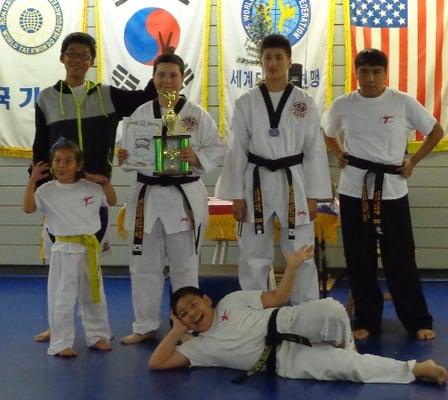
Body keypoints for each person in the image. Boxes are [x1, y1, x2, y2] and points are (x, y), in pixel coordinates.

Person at [148, 246, 447, 385]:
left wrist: (291, 267)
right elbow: (157, 363)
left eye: (192, 305)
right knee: (345, 368)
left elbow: (278, 298)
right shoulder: (197, 348)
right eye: (184, 314)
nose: (191, 314)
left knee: (331, 308)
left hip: (288, 320)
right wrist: (175, 330)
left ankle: (347, 348)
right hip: (283, 360)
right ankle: (416, 369)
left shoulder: (232, 301)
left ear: (206, 299)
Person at [32, 31, 160, 343]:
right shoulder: (47, 97)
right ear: (62, 57)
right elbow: (40, 144)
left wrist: (158, 63)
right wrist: (36, 179)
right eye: (71, 54)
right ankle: (58, 324)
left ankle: (94, 330)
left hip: (94, 191)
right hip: (58, 194)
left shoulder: (106, 94)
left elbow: (144, 98)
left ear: (91, 62)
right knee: (60, 269)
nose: (77, 60)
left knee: (89, 267)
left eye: (84, 56)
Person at [323, 48, 444, 341]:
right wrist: (339, 153)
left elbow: (436, 131)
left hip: (392, 190)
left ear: (385, 73)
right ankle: (366, 319)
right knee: (359, 258)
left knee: (400, 258)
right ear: (356, 72)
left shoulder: (402, 102)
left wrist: (412, 162)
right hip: (354, 190)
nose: (370, 78)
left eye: (377, 72)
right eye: (364, 72)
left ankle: (417, 320)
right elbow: (326, 132)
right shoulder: (343, 104)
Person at [118, 53, 227, 344]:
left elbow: (218, 148)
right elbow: (125, 154)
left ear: (182, 79)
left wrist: (197, 156)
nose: (166, 81)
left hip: (183, 196)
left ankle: (190, 325)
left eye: (172, 75)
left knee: (184, 264)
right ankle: (145, 325)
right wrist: (122, 156)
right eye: (161, 75)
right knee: (144, 264)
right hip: (148, 195)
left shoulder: (197, 114)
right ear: (153, 78)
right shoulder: (140, 114)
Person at [216, 34, 331, 304]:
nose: (273, 63)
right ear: (261, 61)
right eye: (268, 57)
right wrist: (236, 195)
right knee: (253, 254)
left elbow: (314, 151)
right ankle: (254, 315)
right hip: (255, 181)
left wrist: (314, 195)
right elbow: (237, 150)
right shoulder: (247, 102)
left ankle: (307, 314)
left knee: (300, 251)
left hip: (295, 182)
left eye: (279, 57)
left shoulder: (304, 102)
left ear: (289, 61)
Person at [24, 139, 117, 357]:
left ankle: (98, 336)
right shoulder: (46, 190)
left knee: (94, 295)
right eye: (57, 161)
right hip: (64, 249)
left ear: (78, 164)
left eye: (68, 161)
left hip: (88, 249)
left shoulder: (92, 188)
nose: (62, 165)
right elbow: (28, 208)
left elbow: (112, 201)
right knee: (62, 297)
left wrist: (105, 183)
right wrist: (32, 181)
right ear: (51, 163)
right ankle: (61, 342)